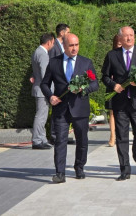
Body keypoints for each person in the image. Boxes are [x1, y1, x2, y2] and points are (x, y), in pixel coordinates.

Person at [40, 33, 99, 183]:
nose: (74, 48)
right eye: (71, 45)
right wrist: (50, 96)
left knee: (82, 140)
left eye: (77, 45)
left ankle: (79, 167)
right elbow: (44, 84)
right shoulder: (54, 63)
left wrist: (83, 89)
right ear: (64, 46)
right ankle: (60, 173)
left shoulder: (86, 62)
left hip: (80, 108)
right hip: (61, 109)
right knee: (60, 141)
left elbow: (95, 84)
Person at [101, 26, 136, 181]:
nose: (129, 38)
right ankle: (125, 169)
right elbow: (104, 76)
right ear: (120, 38)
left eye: (131, 35)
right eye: (126, 36)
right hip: (120, 103)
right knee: (122, 136)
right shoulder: (112, 55)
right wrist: (113, 85)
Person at [31, 33, 55, 149]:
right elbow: (45, 75)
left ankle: (42, 139)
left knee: (42, 115)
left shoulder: (37, 52)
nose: (53, 45)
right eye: (53, 43)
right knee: (41, 116)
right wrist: (50, 92)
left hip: (39, 89)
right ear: (49, 42)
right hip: (42, 90)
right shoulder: (43, 54)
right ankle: (37, 140)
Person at [105, 35, 122, 147]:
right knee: (112, 112)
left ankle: (120, 135)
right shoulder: (111, 55)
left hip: (123, 87)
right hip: (112, 86)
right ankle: (112, 136)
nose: (121, 45)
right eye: (119, 43)